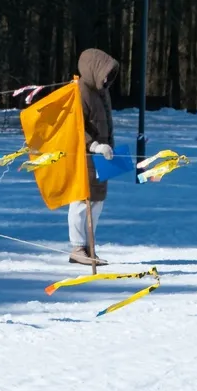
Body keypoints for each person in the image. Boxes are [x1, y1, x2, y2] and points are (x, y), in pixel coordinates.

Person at [69, 48, 121, 267]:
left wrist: (110, 146)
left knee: (97, 201)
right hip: (85, 155)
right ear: (94, 69)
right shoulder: (80, 91)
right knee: (81, 201)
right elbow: (75, 126)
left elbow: (106, 123)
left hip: (103, 157)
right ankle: (78, 247)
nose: (108, 78)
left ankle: (90, 246)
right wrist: (94, 145)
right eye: (105, 72)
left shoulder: (102, 92)